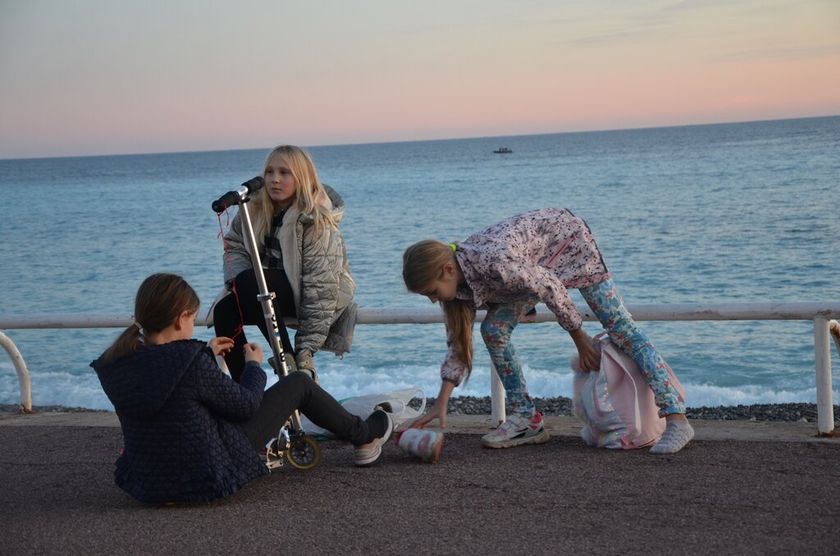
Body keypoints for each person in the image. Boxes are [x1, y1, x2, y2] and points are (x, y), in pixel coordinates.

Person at [402, 208, 694, 454]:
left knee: (620, 328)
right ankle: (526, 418)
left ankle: (676, 418)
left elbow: (550, 285)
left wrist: (579, 337)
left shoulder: (494, 261)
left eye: (432, 291)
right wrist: (441, 403)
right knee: (493, 330)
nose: (433, 299)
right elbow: (457, 346)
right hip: (530, 268)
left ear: (447, 270)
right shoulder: (458, 288)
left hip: (568, 241)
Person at [91, 273, 392, 505]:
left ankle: (362, 435)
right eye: (192, 319)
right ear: (181, 317)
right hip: (205, 474)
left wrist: (206, 354)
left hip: (151, 483)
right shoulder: (190, 361)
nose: (192, 326)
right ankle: (365, 437)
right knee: (299, 383)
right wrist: (252, 366)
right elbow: (245, 405)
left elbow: (169, 388)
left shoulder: (118, 363)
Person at [212, 145, 356, 382]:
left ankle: (286, 360)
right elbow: (234, 245)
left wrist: (305, 350)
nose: (274, 180)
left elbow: (322, 287)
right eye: (269, 172)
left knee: (252, 280)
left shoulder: (315, 219)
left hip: (307, 294)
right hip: (261, 292)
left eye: (284, 173)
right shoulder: (253, 208)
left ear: (302, 178)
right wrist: (236, 282)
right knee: (224, 310)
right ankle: (244, 390)